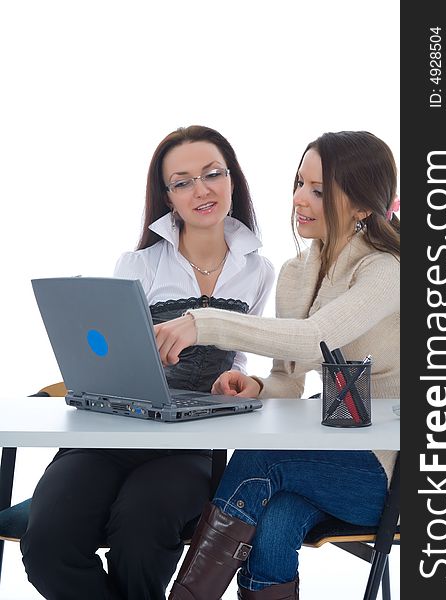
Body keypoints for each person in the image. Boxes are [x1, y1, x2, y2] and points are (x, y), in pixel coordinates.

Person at [20, 125, 275, 600]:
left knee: (139, 533)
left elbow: (240, 356)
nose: (200, 190)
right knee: (48, 544)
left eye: (211, 174)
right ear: (168, 196)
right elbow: (111, 357)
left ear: (232, 179)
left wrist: (244, 382)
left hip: (190, 444)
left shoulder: (257, 269)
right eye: (182, 181)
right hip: (111, 435)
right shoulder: (139, 264)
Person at [154, 130, 400, 599]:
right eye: (300, 183)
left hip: (392, 470)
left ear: (365, 206)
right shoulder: (295, 273)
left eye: (320, 191)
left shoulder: (386, 270)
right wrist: (257, 386)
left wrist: (203, 322)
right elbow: (291, 376)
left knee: (259, 460)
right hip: (330, 453)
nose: (299, 200)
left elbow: (314, 335)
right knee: (275, 519)